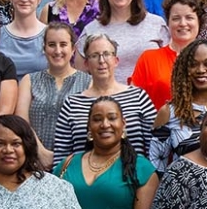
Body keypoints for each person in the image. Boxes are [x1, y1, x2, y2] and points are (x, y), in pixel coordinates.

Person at [51, 30, 157, 158]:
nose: (101, 60)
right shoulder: (72, 104)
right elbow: (61, 154)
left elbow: (154, 145)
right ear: (86, 64)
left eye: (106, 54)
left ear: (116, 60)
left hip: (133, 173)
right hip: (84, 176)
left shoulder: (138, 97)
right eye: (94, 55)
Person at [82, 0, 170, 81]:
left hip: (151, 99)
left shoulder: (156, 24)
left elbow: (171, 68)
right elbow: (80, 81)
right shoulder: (90, 30)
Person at [17, 21, 89, 160]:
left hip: (75, 161)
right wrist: (40, 152)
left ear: (73, 49)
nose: (57, 51)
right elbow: (22, 121)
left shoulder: (88, 82)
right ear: (44, 48)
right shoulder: (29, 80)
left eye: (63, 44)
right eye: (51, 45)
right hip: (34, 159)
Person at [129, 0, 201, 111]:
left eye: (189, 17)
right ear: (168, 23)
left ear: (199, 22)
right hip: (157, 127)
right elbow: (132, 104)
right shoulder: (148, 59)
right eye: (176, 18)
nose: (183, 23)